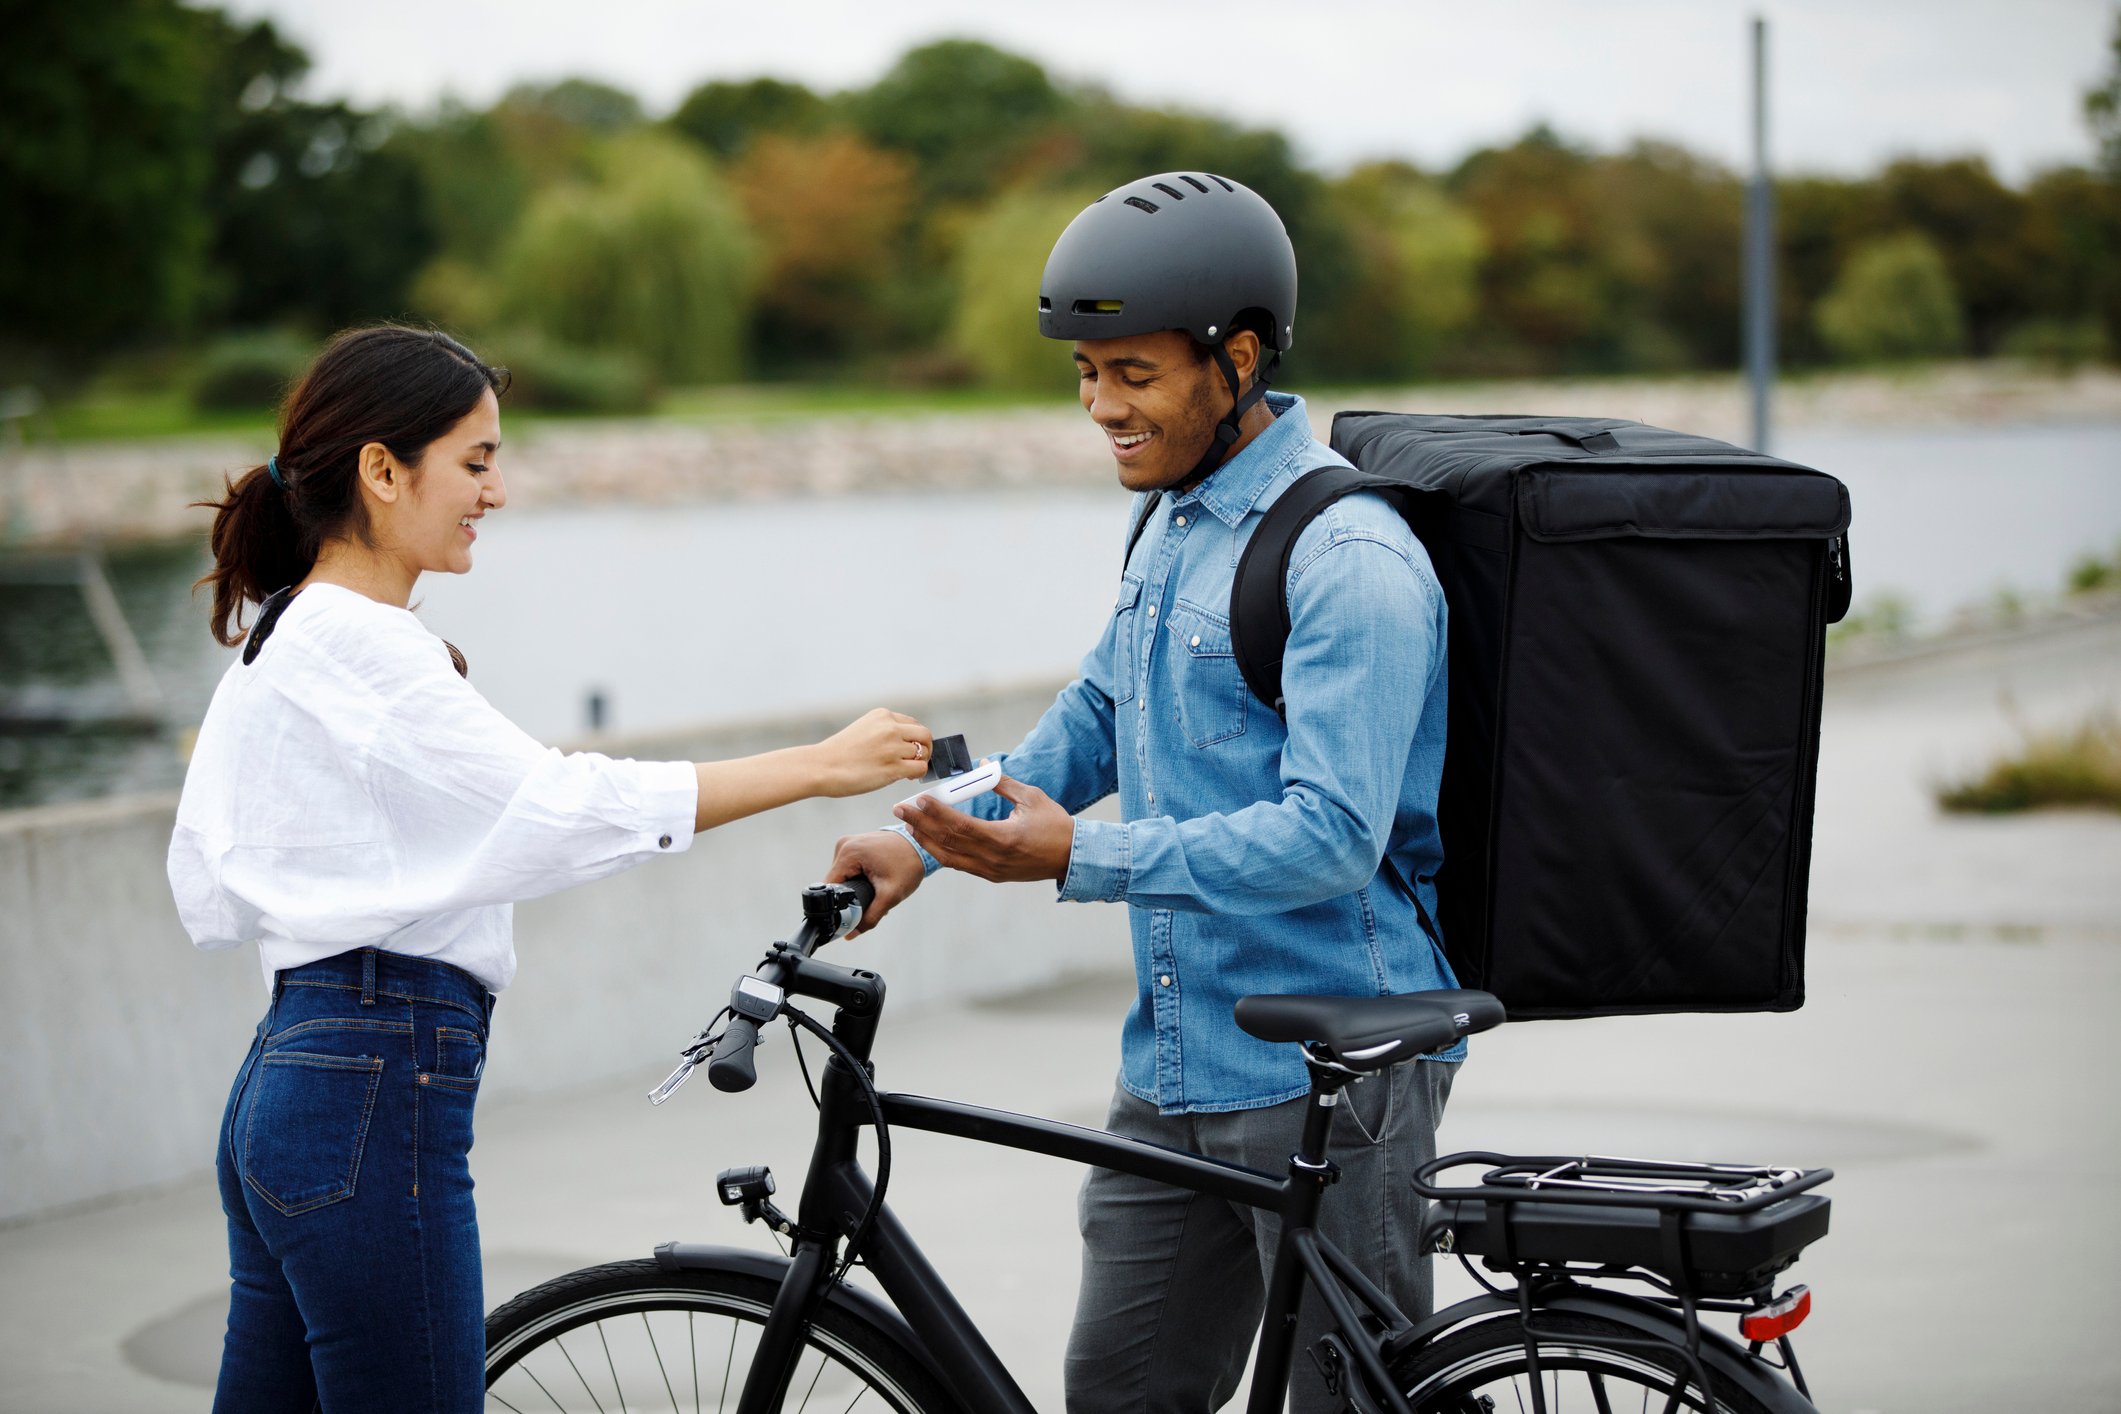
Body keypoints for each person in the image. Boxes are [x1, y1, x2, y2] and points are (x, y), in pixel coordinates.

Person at [169, 324, 933, 1412]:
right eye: (475, 462)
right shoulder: (356, 640)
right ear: (382, 470)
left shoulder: (296, 630)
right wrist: (816, 766)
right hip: (369, 1086)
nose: (497, 491)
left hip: (302, 1075)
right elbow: (561, 806)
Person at [826, 173, 1463, 1413]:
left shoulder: (1350, 557)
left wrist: (1082, 858)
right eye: (1085, 373)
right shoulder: (1174, 519)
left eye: (1132, 373)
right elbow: (1102, 714)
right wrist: (936, 840)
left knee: (1350, 1399)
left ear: (1237, 359)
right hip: (1176, 1062)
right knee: (1118, 1392)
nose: (1100, 405)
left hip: (1337, 1070)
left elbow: (1335, 836)